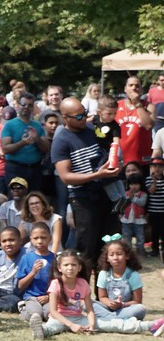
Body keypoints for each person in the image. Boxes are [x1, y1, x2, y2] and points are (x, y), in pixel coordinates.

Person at [30, 249, 161, 339]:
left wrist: (91, 325)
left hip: (78, 318)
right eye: (66, 265)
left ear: (79, 268)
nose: (70, 268)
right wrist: (72, 326)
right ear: (59, 268)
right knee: (52, 327)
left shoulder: (83, 284)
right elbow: (53, 311)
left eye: (73, 265)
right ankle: (41, 331)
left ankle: (149, 325)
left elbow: (90, 310)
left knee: (110, 324)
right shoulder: (55, 284)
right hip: (59, 318)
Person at [53, 96, 120, 267]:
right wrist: (96, 175)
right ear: (65, 118)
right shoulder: (61, 140)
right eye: (78, 116)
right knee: (87, 250)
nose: (84, 118)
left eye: (84, 113)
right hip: (83, 199)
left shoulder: (92, 129)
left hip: (105, 193)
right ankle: (83, 292)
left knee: (108, 247)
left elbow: (107, 151)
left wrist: (114, 165)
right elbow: (66, 176)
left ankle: (103, 292)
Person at [1, 91, 49, 192]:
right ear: (17, 105)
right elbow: (5, 149)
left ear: (33, 108)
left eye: (30, 105)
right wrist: (22, 143)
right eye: (23, 104)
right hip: (15, 169)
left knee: (34, 199)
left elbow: (46, 149)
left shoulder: (38, 126)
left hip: (35, 169)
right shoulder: (9, 125)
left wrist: (37, 139)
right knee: (17, 199)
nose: (26, 107)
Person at [94, 237, 146, 321]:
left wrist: (121, 305)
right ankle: (118, 320)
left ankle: (108, 319)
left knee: (140, 309)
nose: (115, 258)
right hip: (108, 308)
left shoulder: (133, 275)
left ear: (127, 256)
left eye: (119, 254)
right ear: (107, 258)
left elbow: (137, 301)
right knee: (89, 303)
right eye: (111, 255)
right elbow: (102, 297)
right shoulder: (103, 274)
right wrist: (110, 303)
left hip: (126, 308)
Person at [17, 222, 55, 322]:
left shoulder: (55, 259)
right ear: (31, 240)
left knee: (50, 315)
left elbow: (59, 283)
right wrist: (33, 272)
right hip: (32, 297)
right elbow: (20, 285)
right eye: (36, 238)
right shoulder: (26, 258)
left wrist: (49, 297)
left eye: (43, 238)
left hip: (49, 297)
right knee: (36, 314)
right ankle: (25, 310)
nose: (40, 241)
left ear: (50, 239)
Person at [116, 76, 154, 165]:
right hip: (121, 160)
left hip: (142, 159)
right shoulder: (117, 105)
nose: (134, 88)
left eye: (137, 86)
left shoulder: (148, 106)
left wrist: (137, 103)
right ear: (125, 89)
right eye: (131, 85)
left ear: (141, 89)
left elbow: (148, 125)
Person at [0, 226, 24, 312]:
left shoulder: (27, 255)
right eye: (4, 241)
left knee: (14, 303)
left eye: (11, 240)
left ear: (20, 241)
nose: (8, 244)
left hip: (11, 294)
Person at [120, 166, 148, 254]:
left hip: (138, 219)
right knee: (126, 236)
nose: (134, 186)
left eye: (136, 184)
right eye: (131, 184)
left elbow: (142, 203)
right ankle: (128, 252)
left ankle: (140, 251)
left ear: (140, 184)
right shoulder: (125, 194)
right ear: (128, 185)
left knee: (140, 236)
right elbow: (122, 205)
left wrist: (132, 198)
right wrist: (120, 214)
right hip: (126, 219)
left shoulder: (143, 194)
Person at [145, 157, 164, 259]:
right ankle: (155, 249)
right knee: (154, 231)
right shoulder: (148, 179)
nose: (157, 169)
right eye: (154, 166)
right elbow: (151, 191)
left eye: (160, 166)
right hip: (153, 211)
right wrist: (155, 180)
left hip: (163, 211)